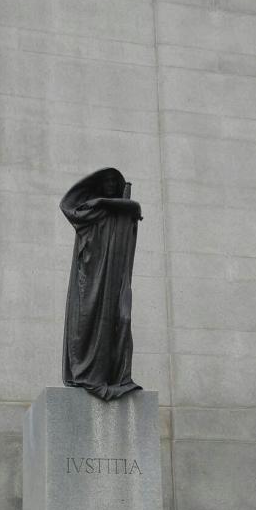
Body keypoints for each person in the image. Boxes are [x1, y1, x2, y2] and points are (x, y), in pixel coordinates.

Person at [60, 167, 143, 401]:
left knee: (123, 319)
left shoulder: (124, 212)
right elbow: (67, 206)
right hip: (92, 279)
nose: (110, 185)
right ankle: (89, 373)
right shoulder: (94, 212)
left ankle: (117, 376)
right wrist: (100, 203)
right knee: (88, 325)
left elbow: (135, 207)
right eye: (106, 181)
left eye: (113, 182)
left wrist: (105, 202)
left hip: (117, 279)